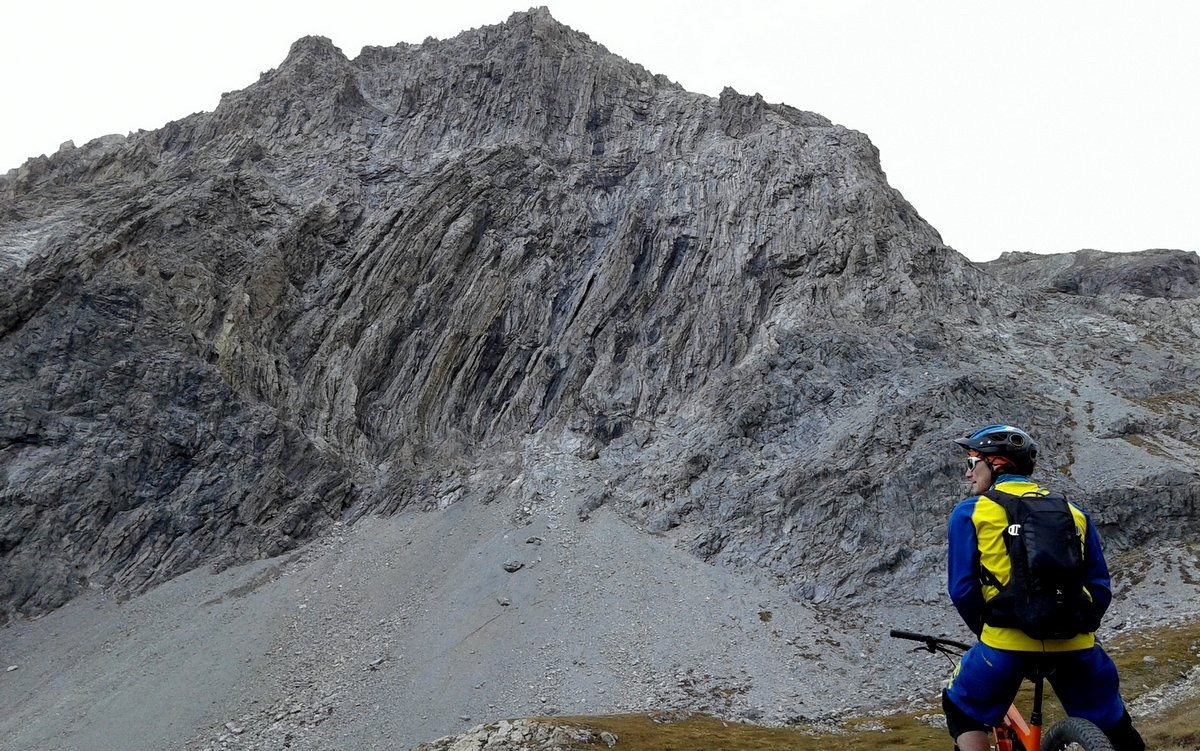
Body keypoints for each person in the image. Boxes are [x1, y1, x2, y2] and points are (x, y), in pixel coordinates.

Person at [943, 424, 1144, 751]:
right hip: (1076, 647)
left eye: (971, 463)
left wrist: (990, 630)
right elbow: (1100, 588)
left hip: (1005, 644)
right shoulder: (1074, 511)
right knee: (1114, 725)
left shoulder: (970, 512)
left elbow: (962, 589)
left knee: (960, 709)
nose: (968, 474)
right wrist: (1075, 625)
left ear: (997, 464)